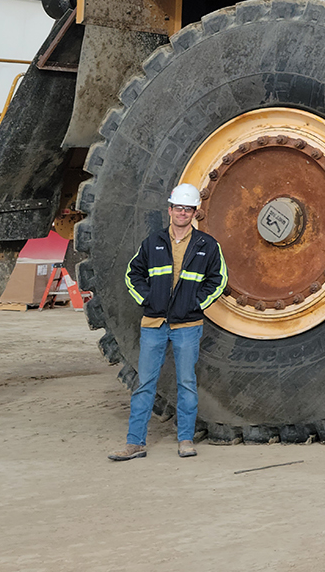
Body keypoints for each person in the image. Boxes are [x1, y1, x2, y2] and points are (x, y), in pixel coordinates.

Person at [109, 182, 227, 461]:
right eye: (178, 208)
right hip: (154, 324)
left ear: (195, 212)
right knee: (145, 384)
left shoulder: (208, 245)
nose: (182, 213)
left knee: (186, 383)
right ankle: (135, 443)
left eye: (188, 209)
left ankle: (185, 440)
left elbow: (219, 280)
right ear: (170, 210)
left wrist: (196, 303)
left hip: (187, 326)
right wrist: (148, 300)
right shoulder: (153, 243)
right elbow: (133, 274)